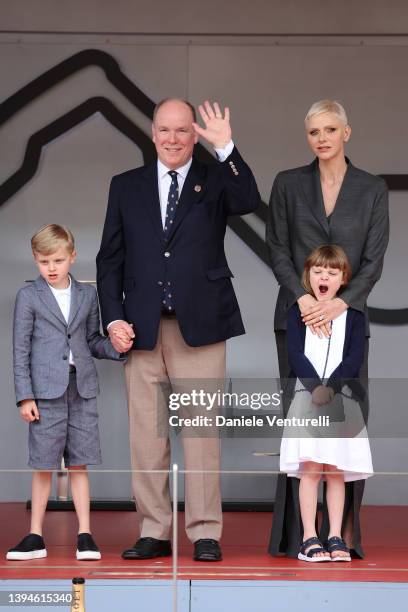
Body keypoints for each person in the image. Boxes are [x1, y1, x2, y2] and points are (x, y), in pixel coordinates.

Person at [96, 98, 260, 562]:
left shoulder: (214, 179)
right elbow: (109, 259)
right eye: (165, 130)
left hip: (201, 327)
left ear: (195, 135)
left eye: (183, 131)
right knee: (146, 436)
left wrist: (226, 146)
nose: (173, 139)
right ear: (152, 133)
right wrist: (113, 319)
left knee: (201, 435)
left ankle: (205, 531)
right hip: (141, 329)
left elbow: (248, 199)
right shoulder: (125, 186)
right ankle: (154, 530)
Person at [266, 99, 389, 559]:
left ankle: (343, 536)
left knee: (344, 430)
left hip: (349, 322)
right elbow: (275, 247)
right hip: (294, 319)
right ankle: (300, 537)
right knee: (300, 434)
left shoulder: (371, 188)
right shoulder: (287, 183)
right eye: (314, 131)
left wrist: (339, 304)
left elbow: (374, 261)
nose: (322, 138)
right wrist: (304, 300)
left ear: (346, 133)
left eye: (330, 130)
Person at [7, 224, 123, 561]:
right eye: (44, 262)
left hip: (82, 387)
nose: (51, 268)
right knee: (43, 465)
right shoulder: (29, 296)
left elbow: (92, 339)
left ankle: (85, 535)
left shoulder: (88, 295)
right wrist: (25, 396)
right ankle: (35, 536)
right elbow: (20, 350)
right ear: (35, 260)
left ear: (72, 257)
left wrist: (118, 348)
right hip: (44, 393)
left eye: (58, 260)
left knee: (80, 464)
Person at [280, 245, 373, 562]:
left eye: (332, 273)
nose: (324, 277)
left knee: (335, 470)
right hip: (308, 400)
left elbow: (353, 359)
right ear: (308, 275)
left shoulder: (355, 316)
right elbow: (296, 355)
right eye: (318, 271)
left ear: (343, 278)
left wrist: (331, 389)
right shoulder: (296, 311)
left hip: (341, 401)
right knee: (310, 468)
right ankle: (309, 537)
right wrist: (315, 388)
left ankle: (335, 535)